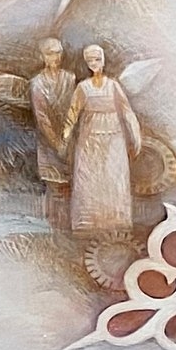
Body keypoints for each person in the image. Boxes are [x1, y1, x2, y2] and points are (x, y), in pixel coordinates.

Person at [62, 43, 142, 245]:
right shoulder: (83, 87)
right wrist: (65, 135)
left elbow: (126, 111)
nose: (94, 63)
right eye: (90, 60)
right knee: (90, 178)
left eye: (97, 59)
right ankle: (88, 223)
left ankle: (116, 222)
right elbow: (73, 113)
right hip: (89, 138)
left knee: (114, 176)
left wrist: (135, 135)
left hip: (114, 137)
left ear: (103, 61)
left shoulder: (113, 86)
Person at [28, 36, 75, 231]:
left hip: (70, 139)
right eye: (50, 53)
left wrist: (67, 139)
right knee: (53, 185)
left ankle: (67, 228)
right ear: (43, 56)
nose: (54, 57)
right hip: (48, 143)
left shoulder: (70, 79)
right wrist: (56, 143)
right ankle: (53, 228)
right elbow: (42, 118)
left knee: (69, 185)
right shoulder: (37, 83)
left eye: (57, 53)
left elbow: (74, 109)